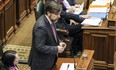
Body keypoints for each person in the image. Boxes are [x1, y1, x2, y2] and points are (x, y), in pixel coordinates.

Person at [28, 1, 66, 70]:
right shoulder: (41, 27)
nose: (59, 16)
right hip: (41, 63)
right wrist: (56, 49)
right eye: (57, 14)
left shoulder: (52, 19)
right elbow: (39, 46)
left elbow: (53, 34)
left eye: (59, 14)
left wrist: (59, 42)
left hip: (50, 59)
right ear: (48, 13)